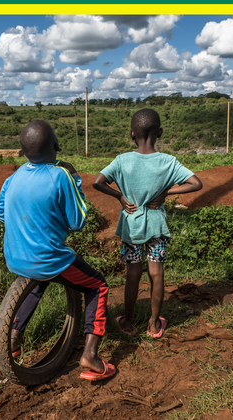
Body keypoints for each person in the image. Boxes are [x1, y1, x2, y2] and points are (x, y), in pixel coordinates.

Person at [0, 119, 115, 381]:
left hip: (15, 257)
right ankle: (91, 355)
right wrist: (75, 178)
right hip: (47, 257)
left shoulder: (13, 176)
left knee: (40, 280)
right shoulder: (60, 176)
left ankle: (13, 336)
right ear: (56, 146)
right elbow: (78, 221)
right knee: (98, 286)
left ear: (24, 151)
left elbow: (0, 211)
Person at [92, 108, 203, 338]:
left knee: (133, 274)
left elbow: (97, 182)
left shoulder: (122, 161)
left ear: (132, 134)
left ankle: (128, 321)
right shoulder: (168, 162)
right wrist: (165, 193)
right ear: (159, 133)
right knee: (157, 274)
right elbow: (195, 183)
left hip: (132, 226)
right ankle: (154, 323)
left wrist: (120, 197)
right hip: (156, 226)